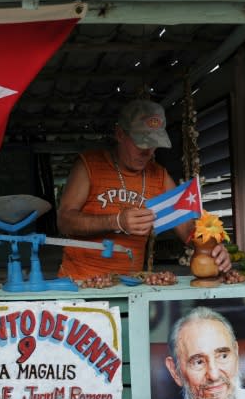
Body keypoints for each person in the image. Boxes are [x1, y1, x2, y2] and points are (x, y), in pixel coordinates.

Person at [56, 99, 231, 280]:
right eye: (141, 143)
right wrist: (116, 221)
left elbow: (187, 228)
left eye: (153, 144)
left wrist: (212, 248)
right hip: (78, 283)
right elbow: (64, 220)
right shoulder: (89, 165)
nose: (147, 152)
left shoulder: (159, 176)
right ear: (120, 134)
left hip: (130, 287)